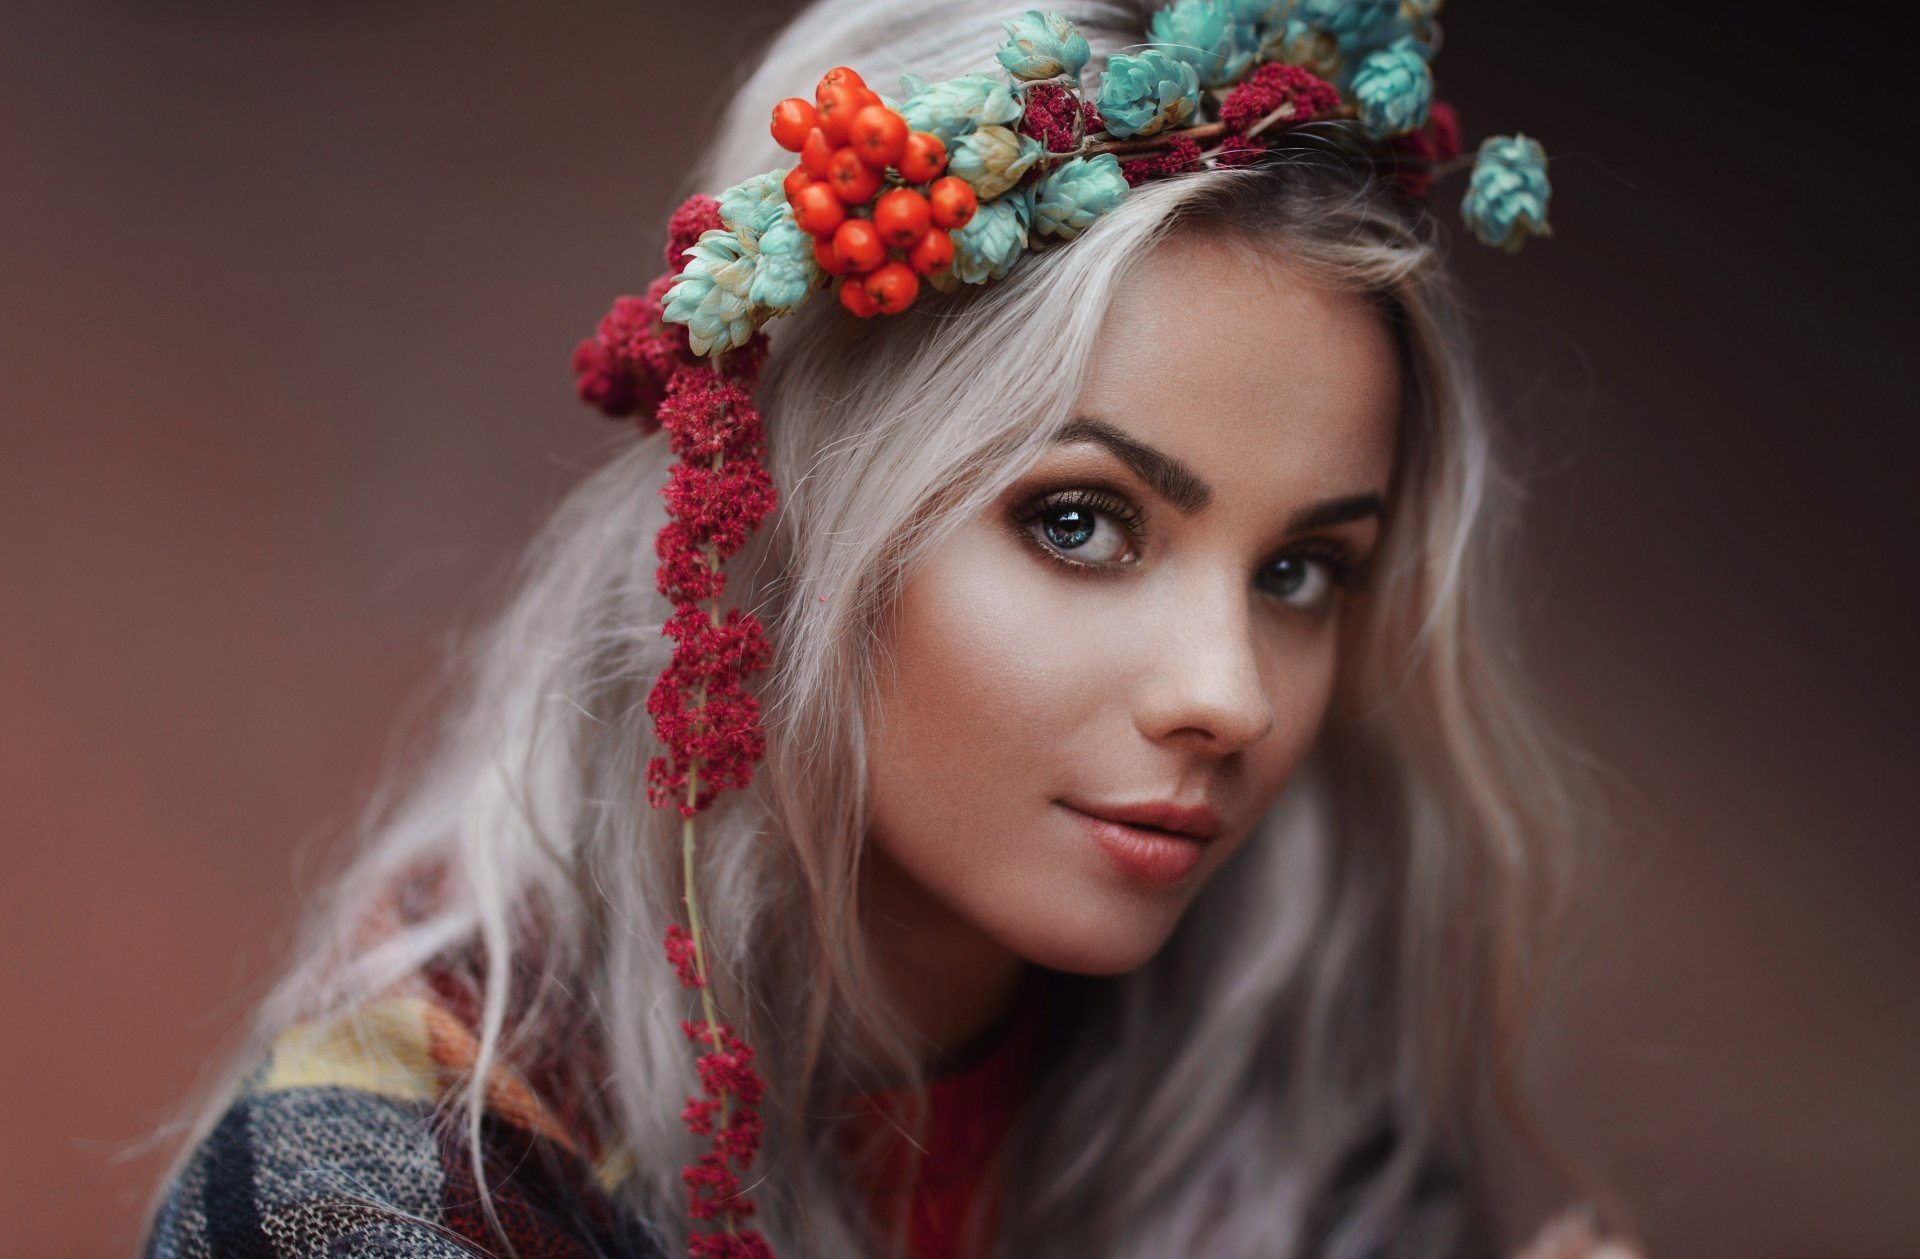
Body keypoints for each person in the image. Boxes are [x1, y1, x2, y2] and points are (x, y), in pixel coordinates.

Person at [141, 2, 1643, 1257]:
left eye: (1302, 570)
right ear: (788, 514)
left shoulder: (1305, 1143)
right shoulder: (372, 1198)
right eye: (1080, 523)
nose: (1230, 696)